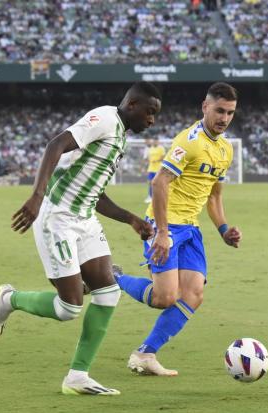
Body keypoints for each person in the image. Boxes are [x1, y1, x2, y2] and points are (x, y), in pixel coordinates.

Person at [0, 82, 161, 396]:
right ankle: (8, 300)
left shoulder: (119, 136)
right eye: (149, 113)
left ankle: (78, 377)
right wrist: (37, 196)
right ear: (132, 104)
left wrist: (131, 219)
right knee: (69, 308)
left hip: (85, 220)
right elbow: (56, 144)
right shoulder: (106, 119)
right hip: (58, 218)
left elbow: (96, 194)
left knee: (108, 293)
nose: (152, 121)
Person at [114, 82, 242, 376]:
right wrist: (160, 232)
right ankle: (114, 277)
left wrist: (223, 229)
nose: (224, 118)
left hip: (191, 229)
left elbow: (214, 195)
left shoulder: (224, 149)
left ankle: (146, 354)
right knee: (164, 298)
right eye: (219, 111)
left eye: (230, 113)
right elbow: (159, 183)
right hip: (166, 225)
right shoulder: (190, 141)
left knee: (193, 294)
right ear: (205, 107)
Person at [144, 137, 166, 203]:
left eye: (156, 141)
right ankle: (150, 196)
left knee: (159, 183)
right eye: (154, 141)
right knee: (150, 183)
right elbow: (147, 158)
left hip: (158, 168)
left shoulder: (161, 148)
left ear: (158, 142)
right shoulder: (150, 149)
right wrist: (149, 160)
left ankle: (160, 197)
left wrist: (156, 160)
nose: (155, 142)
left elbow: (163, 157)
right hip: (151, 168)